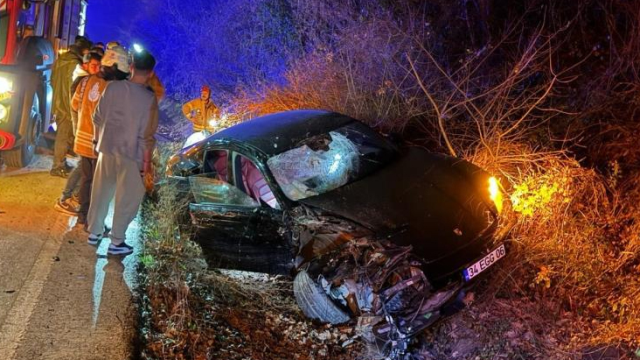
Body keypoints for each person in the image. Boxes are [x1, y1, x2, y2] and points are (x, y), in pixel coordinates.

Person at [87, 49, 158, 255]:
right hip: (131, 155)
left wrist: (96, 141)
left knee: (100, 192)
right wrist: (146, 166)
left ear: (132, 67)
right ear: (151, 73)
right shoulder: (148, 99)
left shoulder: (112, 88)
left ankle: (94, 232)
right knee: (127, 198)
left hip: (106, 149)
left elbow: (96, 118)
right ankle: (116, 242)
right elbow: (147, 137)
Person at [54, 51, 102, 215]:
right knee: (83, 167)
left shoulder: (89, 81)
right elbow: (75, 107)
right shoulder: (83, 82)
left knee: (84, 167)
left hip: (85, 134)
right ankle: (65, 198)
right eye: (94, 65)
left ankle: (72, 196)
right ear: (86, 65)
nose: (97, 69)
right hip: (84, 134)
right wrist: (77, 131)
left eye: (99, 66)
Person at [50, 37, 92, 178]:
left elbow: (52, 80)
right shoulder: (75, 64)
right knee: (63, 136)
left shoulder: (61, 59)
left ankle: (60, 162)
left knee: (63, 134)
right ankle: (58, 166)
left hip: (58, 102)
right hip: (68, 105)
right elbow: (73, 86)